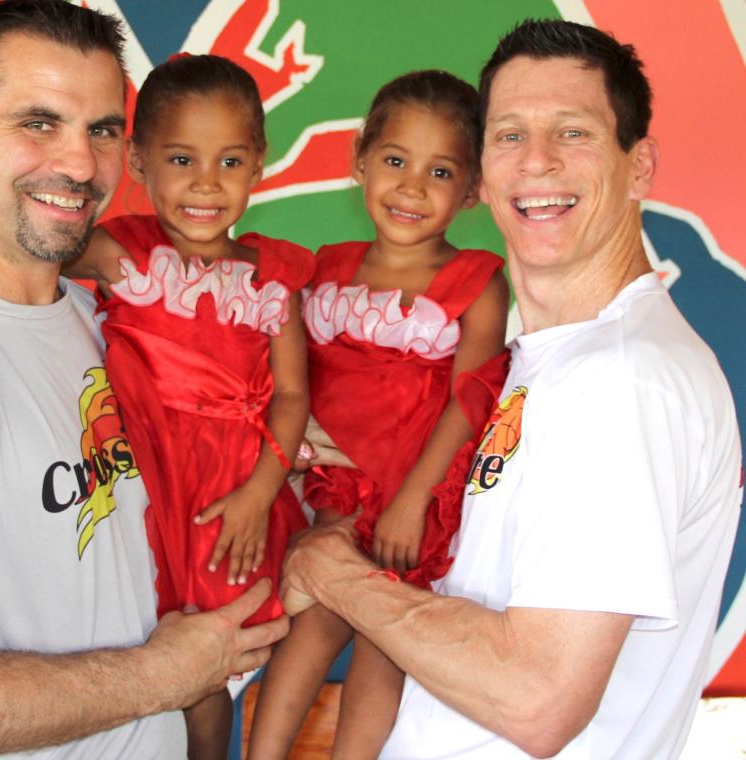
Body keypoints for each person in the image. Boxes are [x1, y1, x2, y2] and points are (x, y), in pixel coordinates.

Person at [0, 2, 288, 759]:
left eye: (100, 129)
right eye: (38, 123)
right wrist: (165, 674)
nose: (76, 164)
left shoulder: (99, 320)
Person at [280, 19, 742, 760]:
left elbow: (536, 700)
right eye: (509, 136)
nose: (537, 163)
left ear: (640, 165)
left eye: (574, 133)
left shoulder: (620, 382)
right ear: (482, 172)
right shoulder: (545, 360)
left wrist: (333, 572)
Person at [248, 71, 509, 759]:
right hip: (336, 489)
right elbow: (291, 381)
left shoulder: (478, 281)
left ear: (473, 188)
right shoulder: (323, 269)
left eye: (441, 171)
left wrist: (414, 500)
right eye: (395, 161)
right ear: (360, 160)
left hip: (413, 496)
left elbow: (469, 399)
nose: (412, 187)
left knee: (386, 637)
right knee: (313, 625)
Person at [65, 54, 312, 759]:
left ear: (258, 166)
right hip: (138, 488)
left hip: (226, 499)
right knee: (127, 656)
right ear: (137, 163)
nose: (206, 183)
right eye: (180, 158)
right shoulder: (120, 255)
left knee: (205, 671)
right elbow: (21, 248)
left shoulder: (272, 277)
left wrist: (260, 496)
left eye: (230, 161)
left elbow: (293, 393)